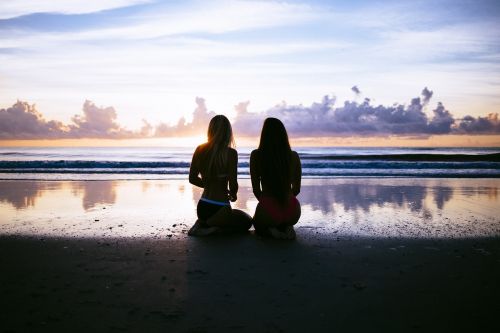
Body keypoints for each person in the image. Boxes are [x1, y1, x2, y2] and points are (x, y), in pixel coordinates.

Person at [188, 115, 252, 236]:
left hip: (203, 206)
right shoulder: (231, 153)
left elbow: (192, 178)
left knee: (234, 216)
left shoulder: (200, 149)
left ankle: (203, 224)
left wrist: (208, 185)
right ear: (228, 132)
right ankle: (214, 230)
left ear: (210, 130)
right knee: (247, 221)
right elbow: (233, 184)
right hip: (221, 208)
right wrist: (233, 194)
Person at [250, 117, 301, 239]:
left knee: (257, 224)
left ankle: (272, 231)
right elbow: (297, 189)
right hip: (292, 209)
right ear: (283, 134)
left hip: (268, 205)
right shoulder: (293, 156)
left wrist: (267, 204)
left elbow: (256, 190)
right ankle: (287, 226)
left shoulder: (256, 155)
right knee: (285, 221)